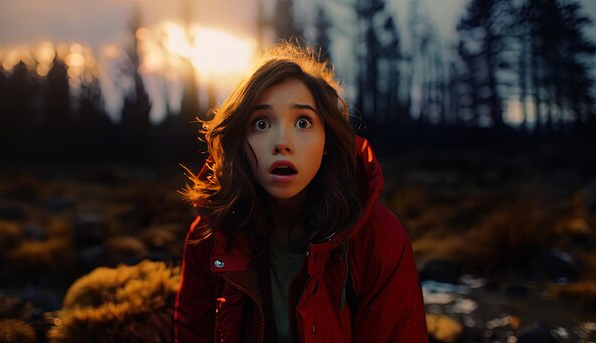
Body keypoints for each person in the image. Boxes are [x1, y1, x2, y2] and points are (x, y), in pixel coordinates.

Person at [173, 42, 428, 343]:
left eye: (303, 122)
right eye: (262, 123)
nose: (282, 142)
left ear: (328, 142)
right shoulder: (209, 236)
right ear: (240, 141)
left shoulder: (379, 241)